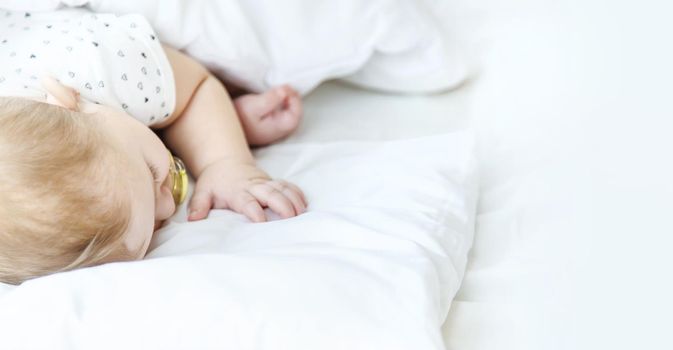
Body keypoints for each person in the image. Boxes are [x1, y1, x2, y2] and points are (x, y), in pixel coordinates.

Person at [0, 9, 307, 284]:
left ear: (71, 102)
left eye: (152, 173)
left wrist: (224, 161)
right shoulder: (99, 136)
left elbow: (197, 85)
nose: (170, 206)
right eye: (155, 230)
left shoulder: (111, 66)